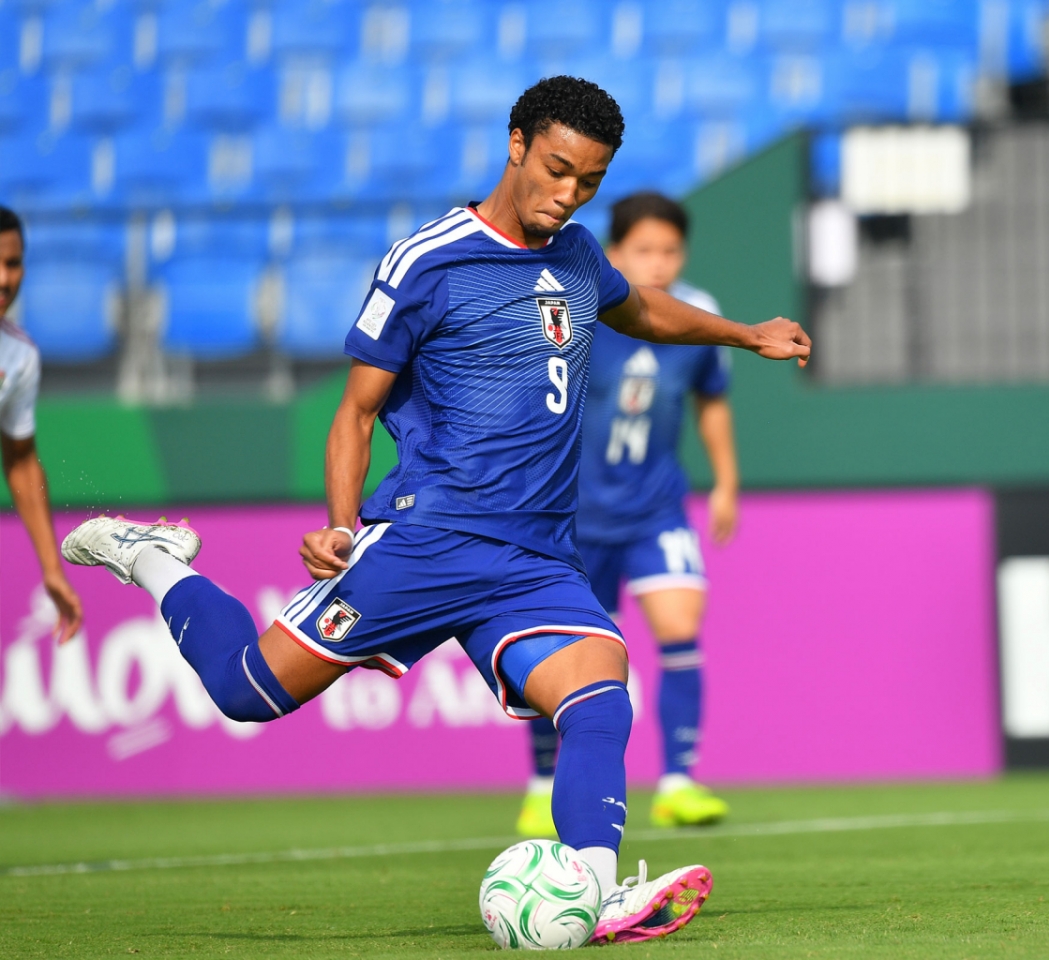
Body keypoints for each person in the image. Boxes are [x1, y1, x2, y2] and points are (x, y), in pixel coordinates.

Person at [60, 77, 810, 944]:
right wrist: (342, 523)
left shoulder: (575, 254)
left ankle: (590, 890)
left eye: (589, 182)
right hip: (429, 538)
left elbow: (638, 308)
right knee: (244, 691)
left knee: (602, 697)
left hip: (534, 558)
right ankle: (154, 559)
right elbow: (356, 411)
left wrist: (745, 333)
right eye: (558, 169)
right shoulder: (429, 260)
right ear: (517, 143)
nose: (568, 194)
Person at [517, 192, 738, 838]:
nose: (659, 263)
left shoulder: (699, 314)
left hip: (655, 509)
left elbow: (712, 400)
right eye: (644, 249)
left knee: (680, 624)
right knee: (564, 655)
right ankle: (539, 786)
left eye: (670, 250)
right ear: (613, 250)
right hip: (573, 516)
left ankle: (678, 783)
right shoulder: (581, 307)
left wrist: (726, 481)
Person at [0, 206, 83, 643]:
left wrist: (52, 570)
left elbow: (21, 463)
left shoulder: (19, 357)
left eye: (12, 263)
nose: (3, 278)